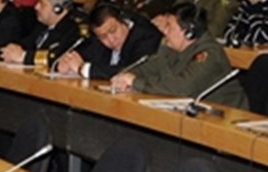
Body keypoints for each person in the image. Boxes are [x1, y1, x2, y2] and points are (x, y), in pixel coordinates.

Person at [107, 7, 249, 107]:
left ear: (188, 32)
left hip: (225, 116)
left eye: (169, 27)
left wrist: (136, 82)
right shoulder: (172, 47)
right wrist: (126, 76)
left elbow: (181, 88)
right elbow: (148, 67)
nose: (164, 31)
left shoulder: (209, 54)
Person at [56, 3, 162, 81]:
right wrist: (67, 62)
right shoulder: (98, 39)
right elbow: (80, 54)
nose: (111, 39)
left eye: (113, 31)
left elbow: (132, 70)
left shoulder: (146, 37)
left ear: (123, 21)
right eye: (103, 37)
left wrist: (83, 68)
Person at [0, 0, 85, 67]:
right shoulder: (41, 26)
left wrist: (24, 56)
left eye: (42, 4)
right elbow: (26, 44)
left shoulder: (73, 30)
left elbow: (57, 56)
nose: (36, 7)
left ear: (58, 9)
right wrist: (12, 49)